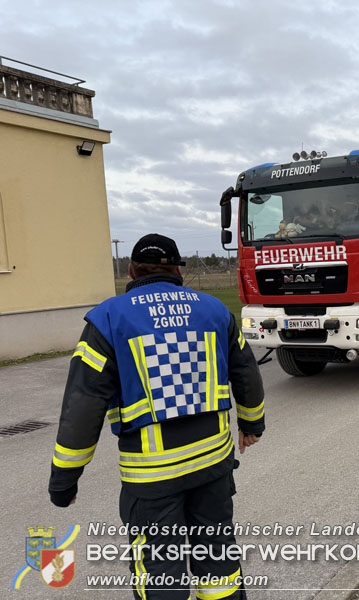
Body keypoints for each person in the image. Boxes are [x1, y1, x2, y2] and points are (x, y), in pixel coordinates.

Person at [48, 233, 265, 600]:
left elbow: (83, 404)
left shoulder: (108, 319)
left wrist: (64, 480)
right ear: (178, 270)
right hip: (213, 465)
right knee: (218, 563)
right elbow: (245, 371)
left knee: (161, 574)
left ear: (131, 270)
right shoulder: (213, 310)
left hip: (153, 478)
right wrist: (251, 424)